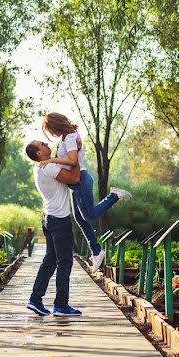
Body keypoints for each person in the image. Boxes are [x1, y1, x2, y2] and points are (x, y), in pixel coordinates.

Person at [38, 112, 132, 272]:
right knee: (80, 220)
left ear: (55, 125)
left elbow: (73, 161)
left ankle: (114, 195)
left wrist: (52, 160)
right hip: (76, 184)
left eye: (50, 130)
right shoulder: (65, 137)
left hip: (81, 179)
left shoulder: (70, 137)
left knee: (89, 215)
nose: (51, 134)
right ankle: (96, 252)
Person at [24, 139, 84, 316]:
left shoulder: (40, 167)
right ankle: (61, 305)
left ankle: (35, 299)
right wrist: (77, 153)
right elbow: (75, 178)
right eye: (42, 144)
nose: (46, 144)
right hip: (59, 220)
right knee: (64, 262)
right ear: (38, 153)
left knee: (50, 260)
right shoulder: (48, 167)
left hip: (48, 218)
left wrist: (59, 158)